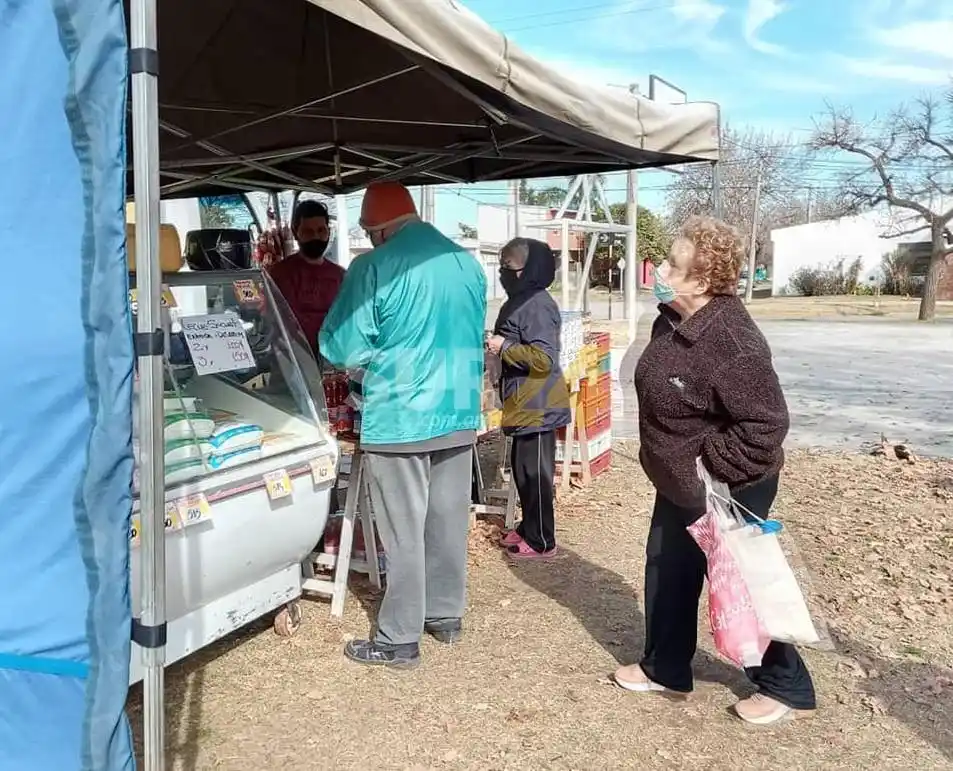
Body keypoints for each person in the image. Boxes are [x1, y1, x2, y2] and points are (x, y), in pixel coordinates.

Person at [613, 215, 817, 725]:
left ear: (701, 280)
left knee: (740, 580)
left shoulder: (733, 343)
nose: (659, 268)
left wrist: (709, 465)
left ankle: (785, 684)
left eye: (671, 262)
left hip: (729, 483)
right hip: (680, 479)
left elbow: (767, 424)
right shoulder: (671, 318)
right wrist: (681, 468)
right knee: (669, 568)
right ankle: (665, 666)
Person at [319, 181, 487, 670]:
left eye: (370, 234)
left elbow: (343, 345)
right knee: (448, 520)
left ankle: (397, 639)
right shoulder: (466, 263)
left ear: (379, 229)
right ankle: (445, 616)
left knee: (403, 530)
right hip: (457, 411)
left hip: (401, 416)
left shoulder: (374, 266)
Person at [486, 238, 570, 560]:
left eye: (510, 266)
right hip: (523, 403)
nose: (504, 272)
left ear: (530, 269)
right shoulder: (521, 300)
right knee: (523, 473)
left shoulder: (536, 304)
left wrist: (503, 347)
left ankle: (542, 541)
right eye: (502, 265)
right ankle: (528, 527)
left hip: (539, 406)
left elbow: (544, 359)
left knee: (536, 476)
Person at [267, 199, 344, 355]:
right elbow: (271, 320)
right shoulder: (278, 274)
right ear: (296, 233)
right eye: (308, 232)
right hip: (291, 361)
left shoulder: (341, 276)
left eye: (321, 230)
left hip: (332, 363)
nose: (316, 237)